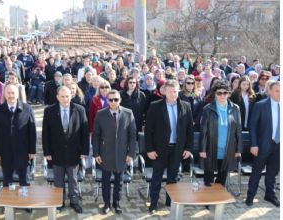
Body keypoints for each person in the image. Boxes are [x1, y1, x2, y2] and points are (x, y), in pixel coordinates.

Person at [145, 80, 194, 214]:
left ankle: (169, 201)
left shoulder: (186, 106)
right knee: (157, 177)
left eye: (175, 91)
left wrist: (188, 148)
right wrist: (149, 149)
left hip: (177, 149)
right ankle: (153, 204)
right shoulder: (155, 106)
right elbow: (148, 130)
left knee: (173, 178)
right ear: (165, 92)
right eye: (170, 91)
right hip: (159, 149)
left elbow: (190, 129)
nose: (173, 94)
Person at [42, 86, 89, 213]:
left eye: (67, 96)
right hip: (56, 152)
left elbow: (84, 132)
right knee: (58, 180)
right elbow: (45, 134)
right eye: (62, 96)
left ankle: (74, 202)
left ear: (71, 96)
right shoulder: (49, 111)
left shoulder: (80, 110)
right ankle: (59, 201)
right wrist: (47, 152)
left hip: (75, 152)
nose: (65, 99)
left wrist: (85, 151)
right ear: (57, 97)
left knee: (73, 180)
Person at [92, 89, 136, 215]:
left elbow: (132, 135)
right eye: (110, 99)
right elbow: (95, 135)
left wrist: (131, 153)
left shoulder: (128, 113)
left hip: (122, 154)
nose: (113, 102)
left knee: (119, 181)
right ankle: (106, 203)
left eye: (115, 99)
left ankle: (116, 203)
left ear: (120, 100)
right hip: (105, 153)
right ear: (107, 100)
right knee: (105, 181)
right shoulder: (100, 114)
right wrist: (96, 153)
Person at [0, 84, 37, 189]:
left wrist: (32, 150)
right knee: (7, 181)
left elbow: (32, 132)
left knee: (24, 180)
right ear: (4, 94)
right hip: (5, 152)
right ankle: (8, 203)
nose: (11, 95)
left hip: (23, 151)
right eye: (8, 93)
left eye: (13, 93)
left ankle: (25, 203)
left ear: (17, 94)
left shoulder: (27, 109)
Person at [199, 81, 242, 187]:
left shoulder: (235, 108)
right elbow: (203, 131)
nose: (222, 95)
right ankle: (208, 199)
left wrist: (238, 150)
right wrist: (202, 150)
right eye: (219, 93)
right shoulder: (208, 109)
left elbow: (238, 130)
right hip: (211, 149)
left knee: (222, 178)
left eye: (225, 93)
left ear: (228, 94)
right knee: (208, 178)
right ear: (214, 94)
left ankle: (218, 199)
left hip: (228, 149)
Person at [246, 80, 280, 207]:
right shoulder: (260, 105)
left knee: (273, 172)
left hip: (278, 146)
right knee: (256, 172)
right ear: (270, 91)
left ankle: (270, 195)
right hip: (262, 145)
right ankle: (250, 196)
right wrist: (254, 144)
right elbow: (252, 126)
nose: (280, 93)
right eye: (277, 91)